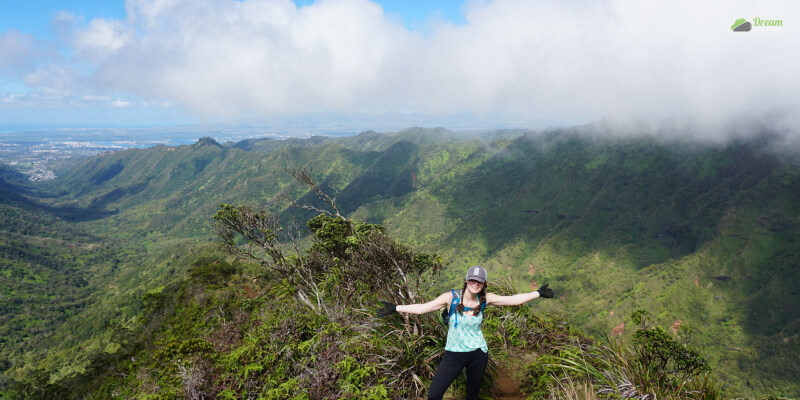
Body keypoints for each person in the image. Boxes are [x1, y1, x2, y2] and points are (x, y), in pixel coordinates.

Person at [376, 265, 554, 400]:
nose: (475, 284)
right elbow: (423, 308)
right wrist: (395, 307)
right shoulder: (450, 298)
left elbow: (514, 300)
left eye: (479, 281)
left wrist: (538, 293)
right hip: (454, 355)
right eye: (472, 280)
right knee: (434, 395)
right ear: (466, 280)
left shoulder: (486, 299)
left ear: (484, 283)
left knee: (472, 394)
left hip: (478, 354)